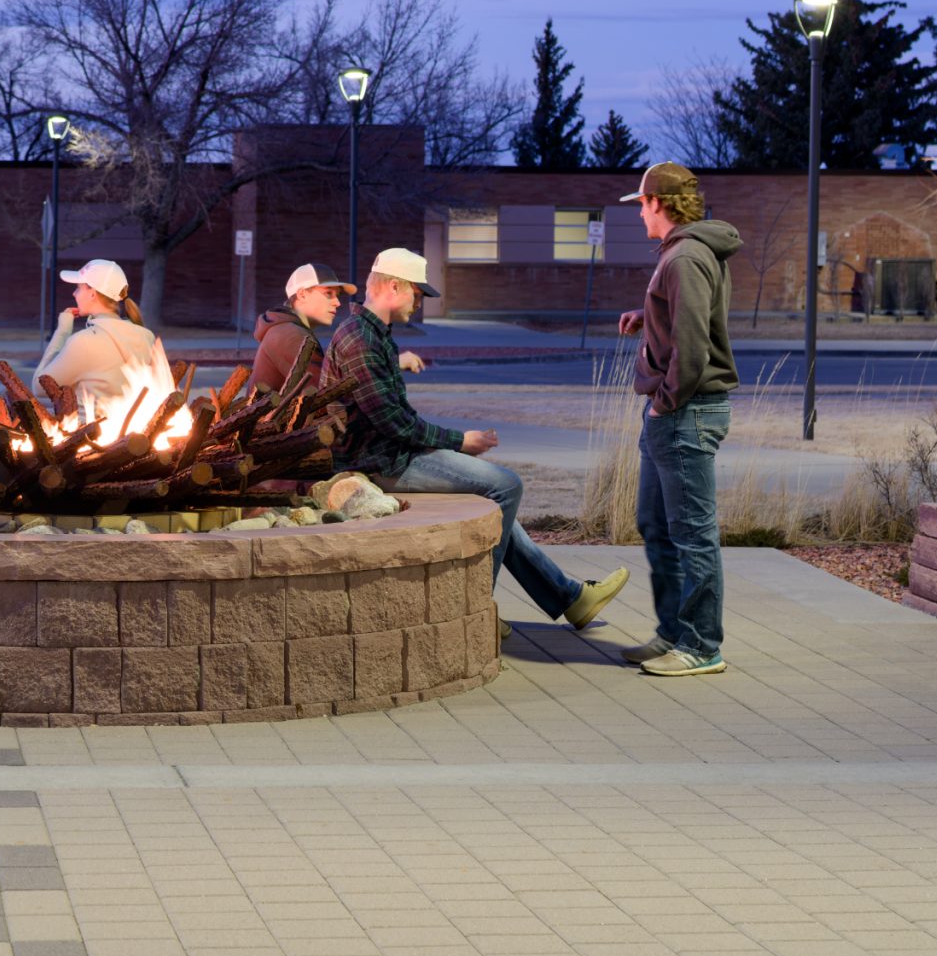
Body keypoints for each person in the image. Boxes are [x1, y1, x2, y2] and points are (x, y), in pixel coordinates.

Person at [329, 245, 627, 631]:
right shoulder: (360, 338)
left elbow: (391, 413)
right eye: (417, 294)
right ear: (392, 286)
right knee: (506, 486)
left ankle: (572, 598)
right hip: (380, 461)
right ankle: (474, 607)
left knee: (496, 502)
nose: (419, 303)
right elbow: (393, 423)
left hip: (391, 452)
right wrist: (459, 440)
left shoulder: (374, 334)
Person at [615, 163, 742, 676]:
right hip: (671, 415)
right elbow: (692, 316)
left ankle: (701, 646)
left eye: (641, 204)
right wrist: (649, 316)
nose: (639, 213)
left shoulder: (686, 256)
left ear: (659, 204)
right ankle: (674, 632)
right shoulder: (683, 254)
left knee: (692, 535)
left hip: (684, 414)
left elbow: (692, 347)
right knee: (656, 524)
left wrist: (665, 401)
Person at [33, 259, 167, 416]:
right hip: (130, 433)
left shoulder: (84, 341)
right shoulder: (146, 336)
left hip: (86, 435)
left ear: (92, 293)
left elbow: (39, 387)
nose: (74, 293)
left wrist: (62, 332)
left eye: (78, 287)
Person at [250, 262, 356, 395]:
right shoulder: (291, 335)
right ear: (302, 294)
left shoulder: (286, 329)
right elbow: (324, 395)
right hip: (274, 416)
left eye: (338, 295)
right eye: (329, 293)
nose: (337, 302)